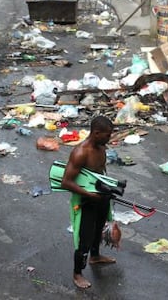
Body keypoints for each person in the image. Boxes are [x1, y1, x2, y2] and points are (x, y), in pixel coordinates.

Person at [61, 116, 116, 289]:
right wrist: (89, 195)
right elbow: (66, 182)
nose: (110, 138)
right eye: (107, 135)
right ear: (97, 133)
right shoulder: (80, 152)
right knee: (85, 237)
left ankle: (95, 256)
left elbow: (99, 172)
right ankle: (77, 273)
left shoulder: (101, 147)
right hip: (86, 199)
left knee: (99, 227)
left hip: (100, 195)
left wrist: (109, 189)